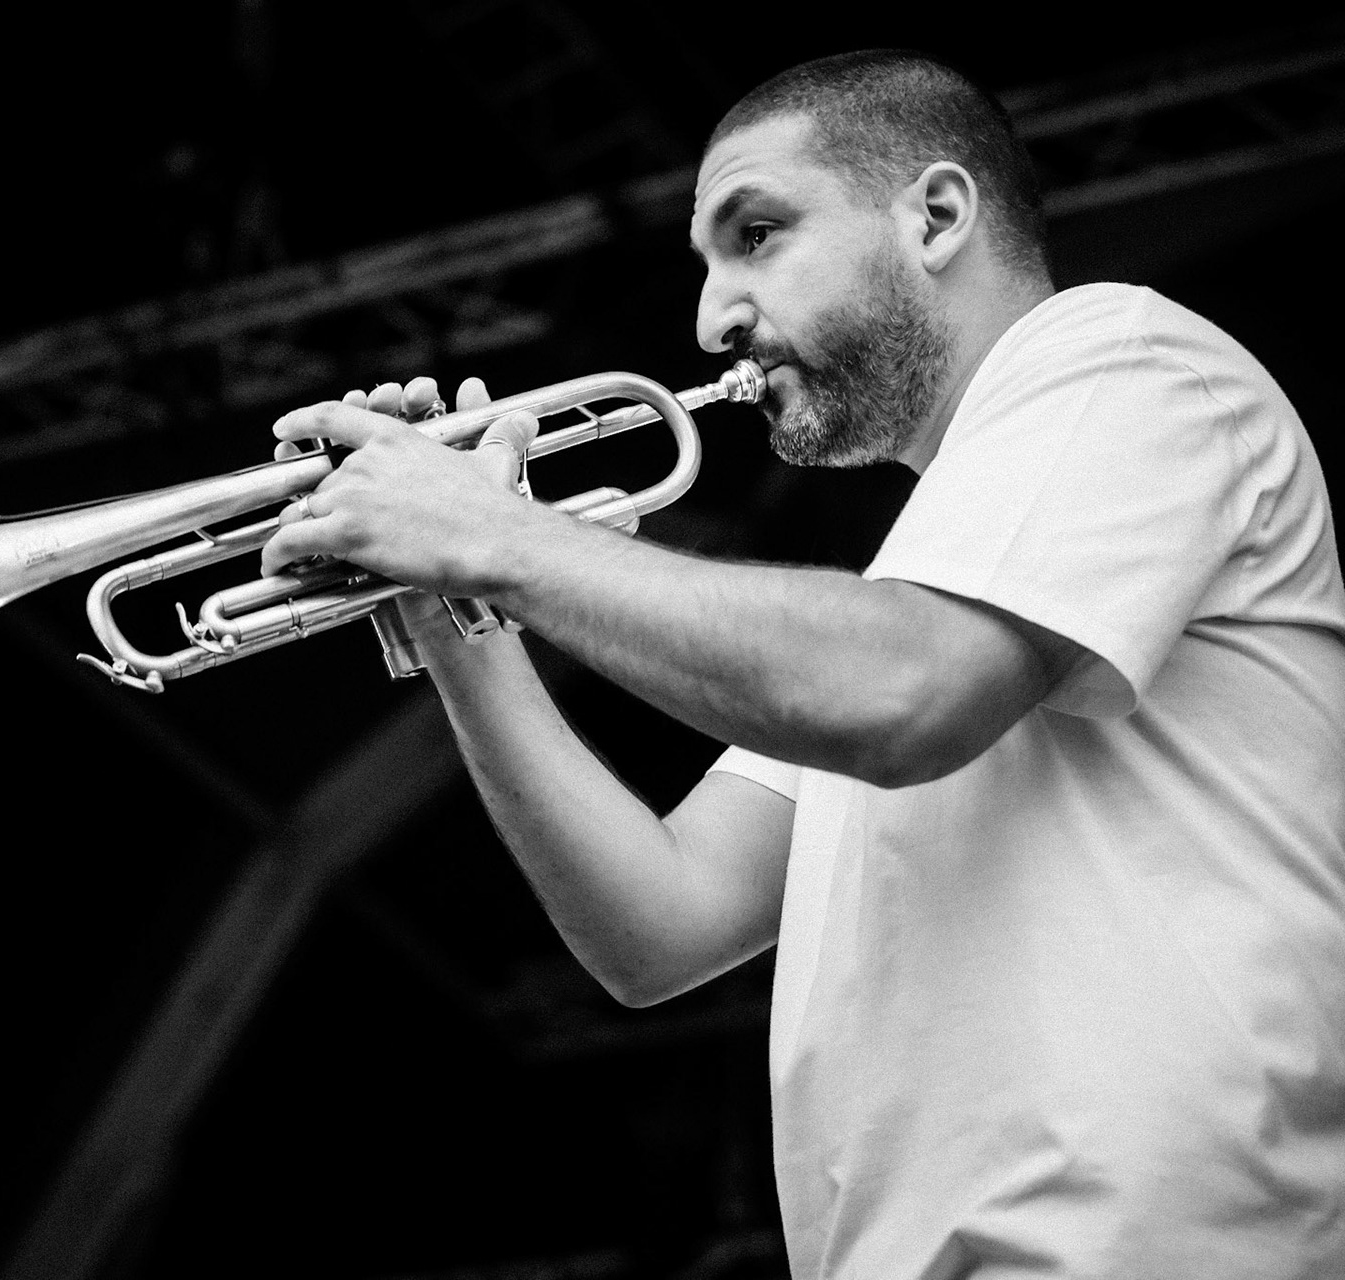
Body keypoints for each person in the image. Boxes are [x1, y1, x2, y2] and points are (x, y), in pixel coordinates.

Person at [257, 48, 1345, 1280]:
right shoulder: (909, 595)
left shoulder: (1133, 361)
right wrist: (456, 608)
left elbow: (905, 695)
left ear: (935, 215)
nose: (711, 314)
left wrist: (492, 534)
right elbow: (657, 924)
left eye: (758, 234)